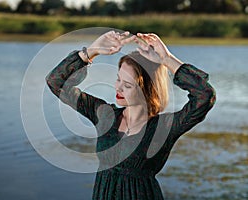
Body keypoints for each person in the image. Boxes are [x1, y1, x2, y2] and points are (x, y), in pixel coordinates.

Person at [46, 31, 216, 200]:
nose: (117, 88)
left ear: (147, 89)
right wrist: (92, 51)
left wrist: (167, 59)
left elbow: (205, 95)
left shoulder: (164, 128)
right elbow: (55, 82)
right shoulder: (104, 115)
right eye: (118, 79)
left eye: (127, 84)